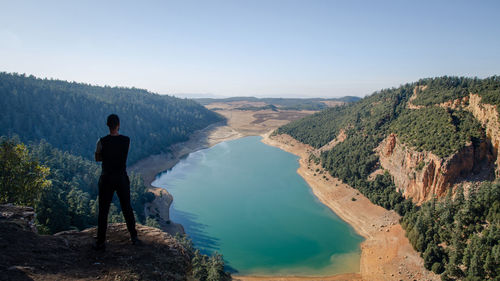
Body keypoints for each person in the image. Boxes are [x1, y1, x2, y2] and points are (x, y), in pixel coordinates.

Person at [94, 114, 139, 250]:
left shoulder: (101, 141)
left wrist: (106, 157)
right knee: (127, 208)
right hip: (121, 177)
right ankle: (134, 237)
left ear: (107, 125)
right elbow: (121, 155)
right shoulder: (126, 140)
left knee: (103, 210)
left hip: (106, 177)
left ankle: (101, 242)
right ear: (118, 124)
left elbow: (97, 158)